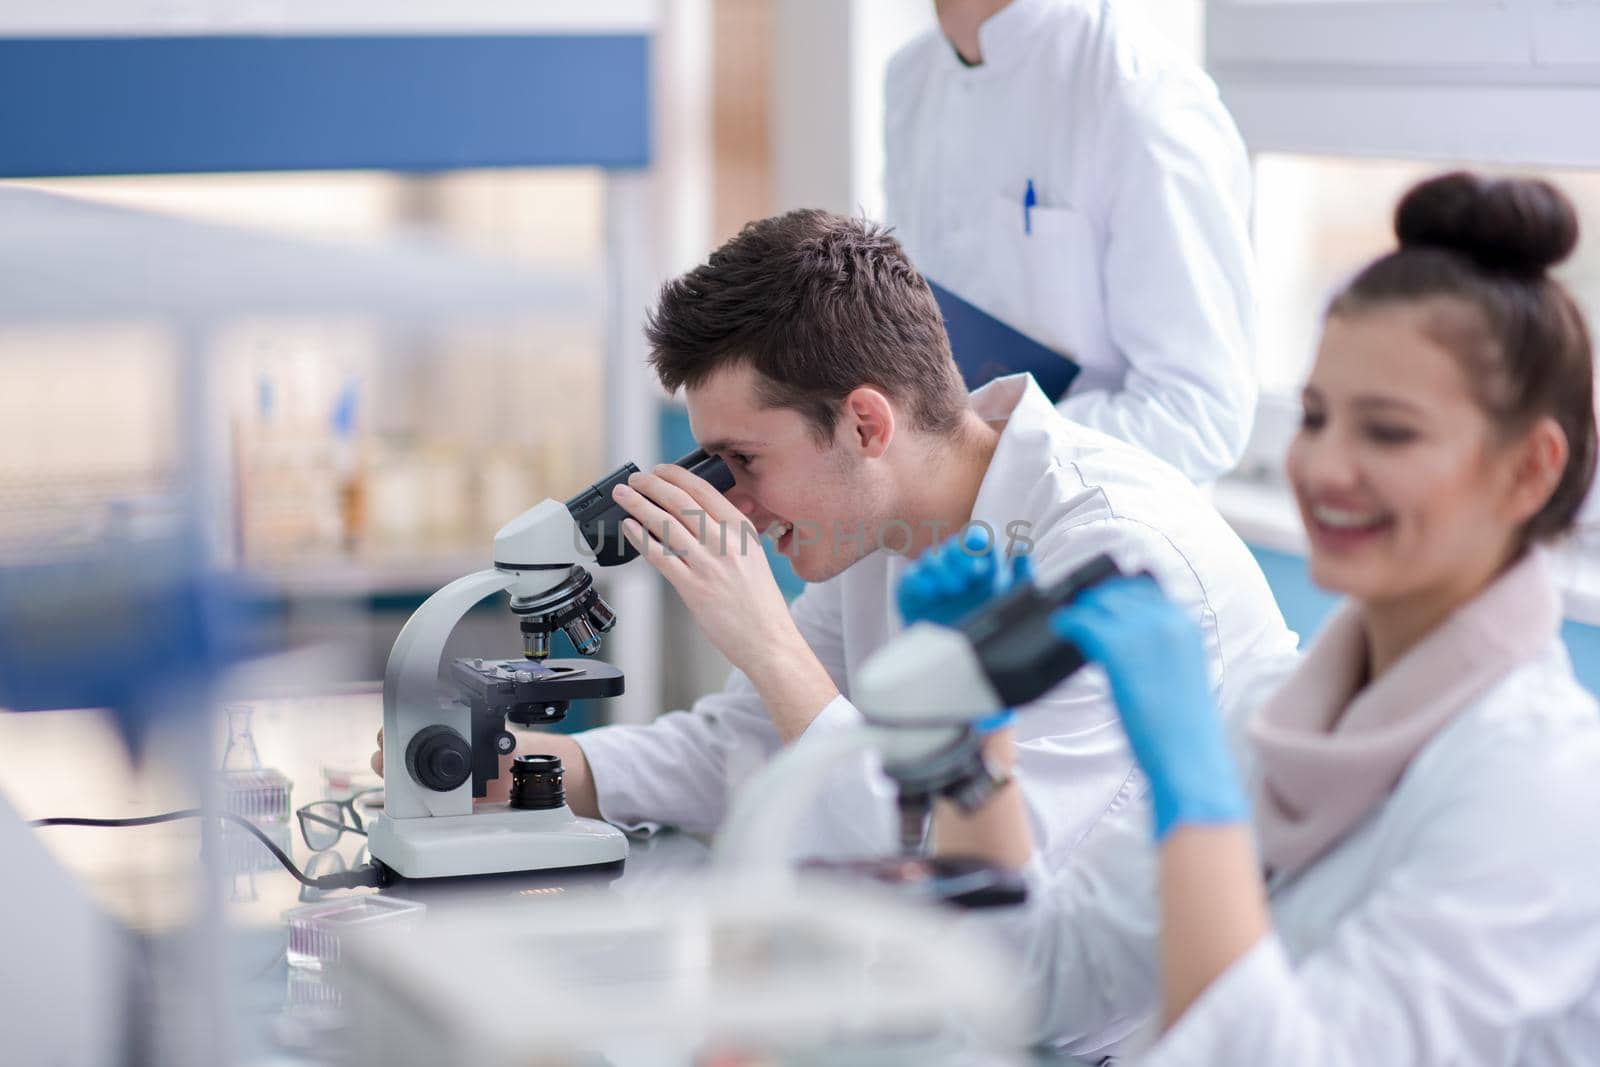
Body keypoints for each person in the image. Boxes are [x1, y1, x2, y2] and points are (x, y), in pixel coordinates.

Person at [905, 172, 1600, 1062]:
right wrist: (970, 734)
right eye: (1314, 417)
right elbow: (1037, 986)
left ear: (1530, 470)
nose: (1325, 466)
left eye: (1387, 432)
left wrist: (1197, 795)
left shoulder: (1538, 783)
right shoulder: (1279, 702)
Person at [376, 209, 1296, 866]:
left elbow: (968, 864)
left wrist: (768, 640)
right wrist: (531, 768)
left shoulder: (1107, 559)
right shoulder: (882, 524)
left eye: (741, 458)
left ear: (864, 424)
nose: (732, 500)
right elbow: (744, 748)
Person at [885, 0, 1258, 484]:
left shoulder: (1140, 95)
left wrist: (972, 449)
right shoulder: (909, 76)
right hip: (938, 529)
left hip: (1097, 533)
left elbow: (1198, 415)